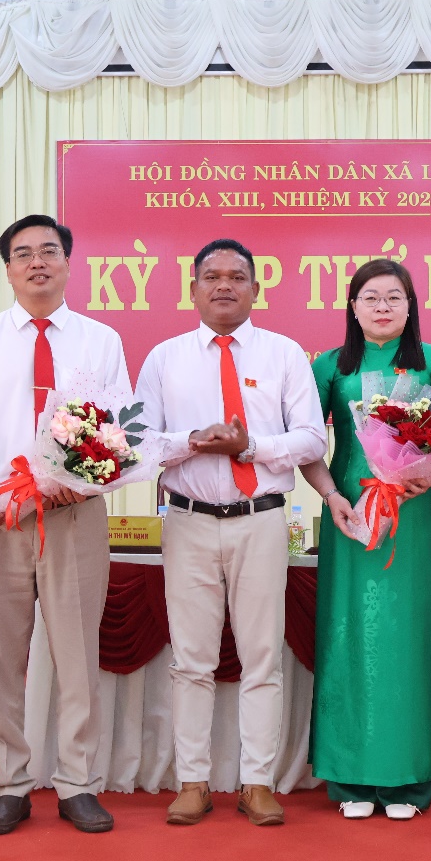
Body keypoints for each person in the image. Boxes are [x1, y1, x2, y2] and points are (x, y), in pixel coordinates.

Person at [0, 214, 130, 836]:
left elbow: (119, 429)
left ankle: (78, 784)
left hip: (73, 515)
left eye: (49, 250)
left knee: (77, 656)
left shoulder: (101, 340)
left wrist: (77, 483)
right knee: (0, 656)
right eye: (23, 254)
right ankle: (11, 784)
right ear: (8, 270)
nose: (37, 262)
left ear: (69, 263)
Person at [135, 238, 326, 827]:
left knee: (262, 658)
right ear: (192, 289)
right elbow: (138, 444)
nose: (224, 285)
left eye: (237, 277)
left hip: (261, 519)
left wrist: (251, 446)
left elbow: (312, 439)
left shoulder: (284, 354)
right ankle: (192, 782)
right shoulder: (164, 358)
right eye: (212, 276)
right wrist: (193, 441)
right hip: (187, 521)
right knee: (190, 659)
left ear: (255, 289)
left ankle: (257, 783)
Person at [297, 259, 431, 821]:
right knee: (347, 634)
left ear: (411, 306)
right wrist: (330, 497)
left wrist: (424, 479)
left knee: (406, 637)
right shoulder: (329, 366)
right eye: (371, 297)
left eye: (394, 296)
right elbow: (306, 445)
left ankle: (406, 779)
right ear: (353, 307)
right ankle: (350, 777)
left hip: (410, 515)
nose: (383, 306)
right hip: (350, 513)